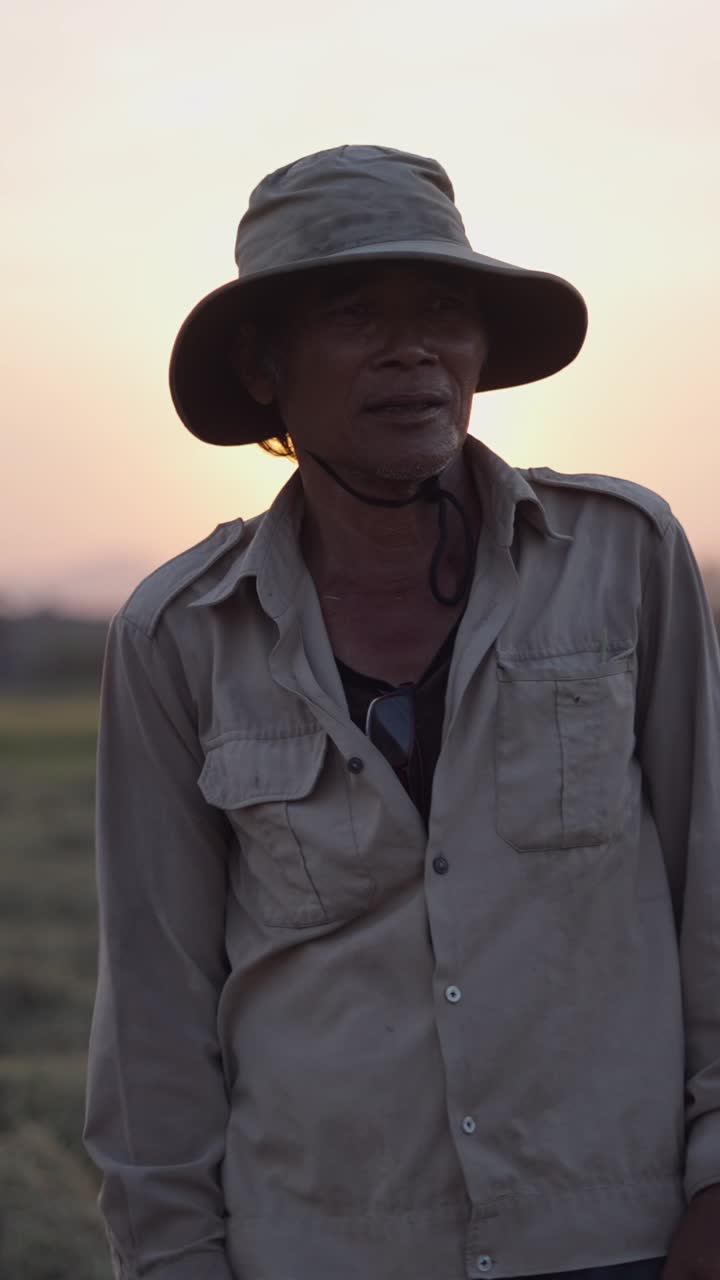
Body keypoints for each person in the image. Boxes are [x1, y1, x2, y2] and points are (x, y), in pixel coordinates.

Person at [83, 145, 720, 1280]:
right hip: (318, 1244)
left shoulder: (622, 557)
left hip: (614, 1233)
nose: (412, 348)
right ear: (264, 366)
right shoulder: (179, 631)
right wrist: (171, 1254)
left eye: (442, 309)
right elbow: (152, 1002)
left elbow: (714, 885)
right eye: (351, 312)